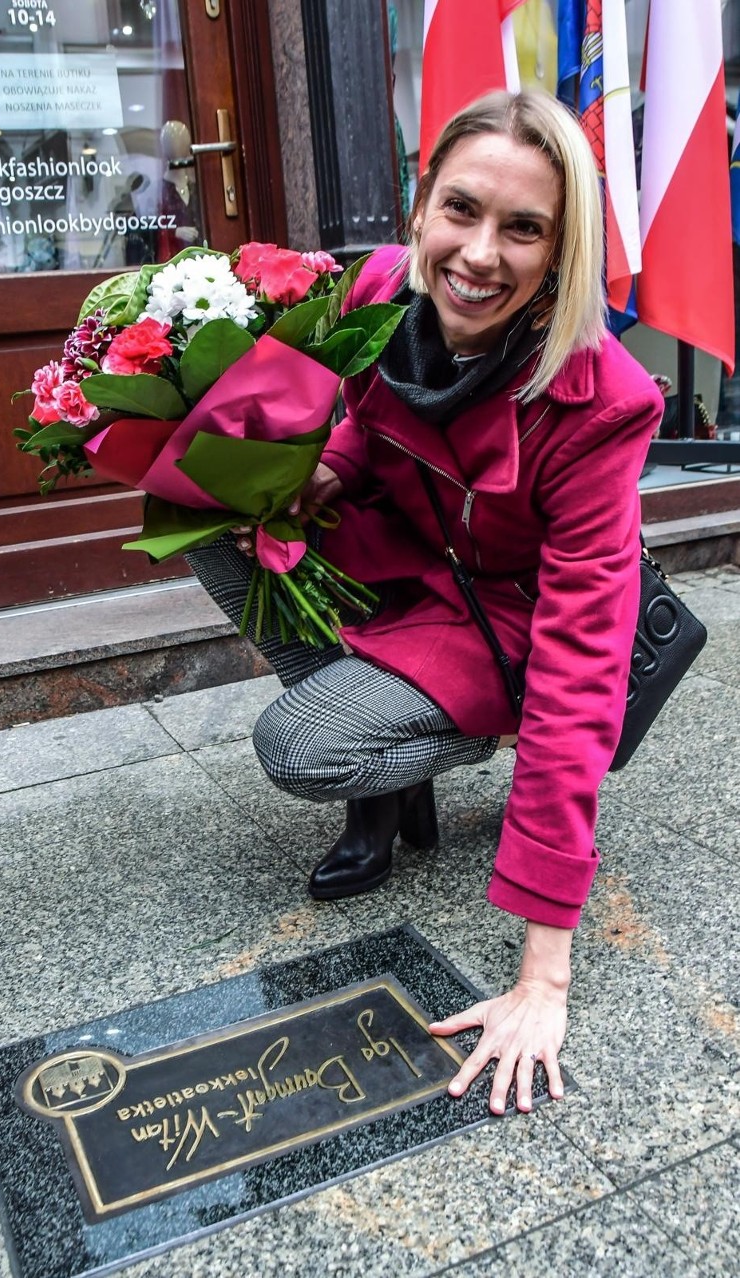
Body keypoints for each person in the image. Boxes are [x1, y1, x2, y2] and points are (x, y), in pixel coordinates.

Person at [187, 89, 664, 1116]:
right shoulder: (376, 291)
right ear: (420, 206)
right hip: (408, 562)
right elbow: (369, 418)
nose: (480, 254)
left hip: (506, 629)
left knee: (299, 745)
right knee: (219, 529)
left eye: (524, 228)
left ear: (560, 250)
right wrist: (321, 478)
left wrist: (544, 979)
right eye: (462, 209)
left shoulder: (604, 396)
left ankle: (400, 754)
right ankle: (386, 766)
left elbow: (583, 666)